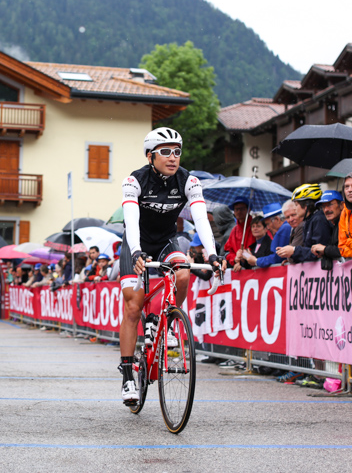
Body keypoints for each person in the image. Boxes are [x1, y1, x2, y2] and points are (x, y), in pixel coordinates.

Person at [118, 128, 220, 405]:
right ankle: (127, 375)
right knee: (132, 307)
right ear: (150, 156)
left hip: (165, 241)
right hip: (135, 242)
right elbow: (131, 217)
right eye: (165, 151)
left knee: (184, 271)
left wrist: (212, 255)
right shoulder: (134, 180)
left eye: (177, 151)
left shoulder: (189, 180)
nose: (173, 157)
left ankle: (168, 320)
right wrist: (137, 251)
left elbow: (201, 219)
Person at [274, 184, 331, 264]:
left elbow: (317, 252)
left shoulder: (319, 219)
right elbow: (308, 250)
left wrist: (294, 251)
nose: (295, 208)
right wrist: (293, 254)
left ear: (306, 206)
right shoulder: (309, 220)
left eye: (296, 205)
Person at [239, 202, 290, 268]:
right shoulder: (286, 228)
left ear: (277, 219)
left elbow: (277, 257)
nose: (268, 228)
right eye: (253, 226)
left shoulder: (284, 229)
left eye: (268, 224)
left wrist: (256, 261)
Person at [310, 191, 344, 270]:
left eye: (329, 205)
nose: (326, 210)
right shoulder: (335, 224)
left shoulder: (347, 223)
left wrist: (325, 249)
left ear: (342, 205)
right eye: (323, 207)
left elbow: (346, 250)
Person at [223, 196, 256, 268]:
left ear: (248, 210)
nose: (239, 211)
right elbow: (228, 252)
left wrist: (245, 257)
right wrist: (235, 259)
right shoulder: (234, 230)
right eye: (236, 209)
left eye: (242, 209)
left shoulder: (255, 227)